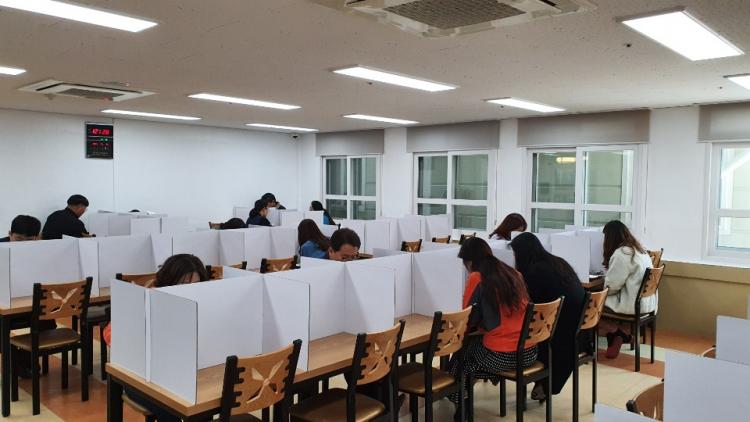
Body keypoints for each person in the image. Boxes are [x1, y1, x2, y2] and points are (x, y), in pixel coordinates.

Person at [104, 254, 209, 422]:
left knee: (203, 407)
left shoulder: (199, 304)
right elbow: (110, 333)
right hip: (141, 379)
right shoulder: (147, 299)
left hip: (180, 375)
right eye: (183, 284)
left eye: (196, 284)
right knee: (172, 410)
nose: (189, 289)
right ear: (170, 280)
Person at [447, 237, 537, 418]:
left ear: (469, 261)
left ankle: (461, 405)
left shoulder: (477, 278)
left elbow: (467, 317)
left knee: (459, 359)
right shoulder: (513, 274)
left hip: (501, 356)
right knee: (470, 353)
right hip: (529, 352)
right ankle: (463, 398)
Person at [510, 232, 585, 400]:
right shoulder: (557, 262)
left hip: (559, 331)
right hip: (578, 329)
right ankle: (541, 382)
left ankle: (540, 380)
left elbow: (528, 306)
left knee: (519, 335)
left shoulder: (534, 272)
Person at [598, 220, 654, 359]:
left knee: (587, 306)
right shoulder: (639, 250)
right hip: (646, 303)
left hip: (631, 304)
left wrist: (601, 286)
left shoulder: (621, 254)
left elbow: (612, 287)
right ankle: (616, 335)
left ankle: (616, 332)